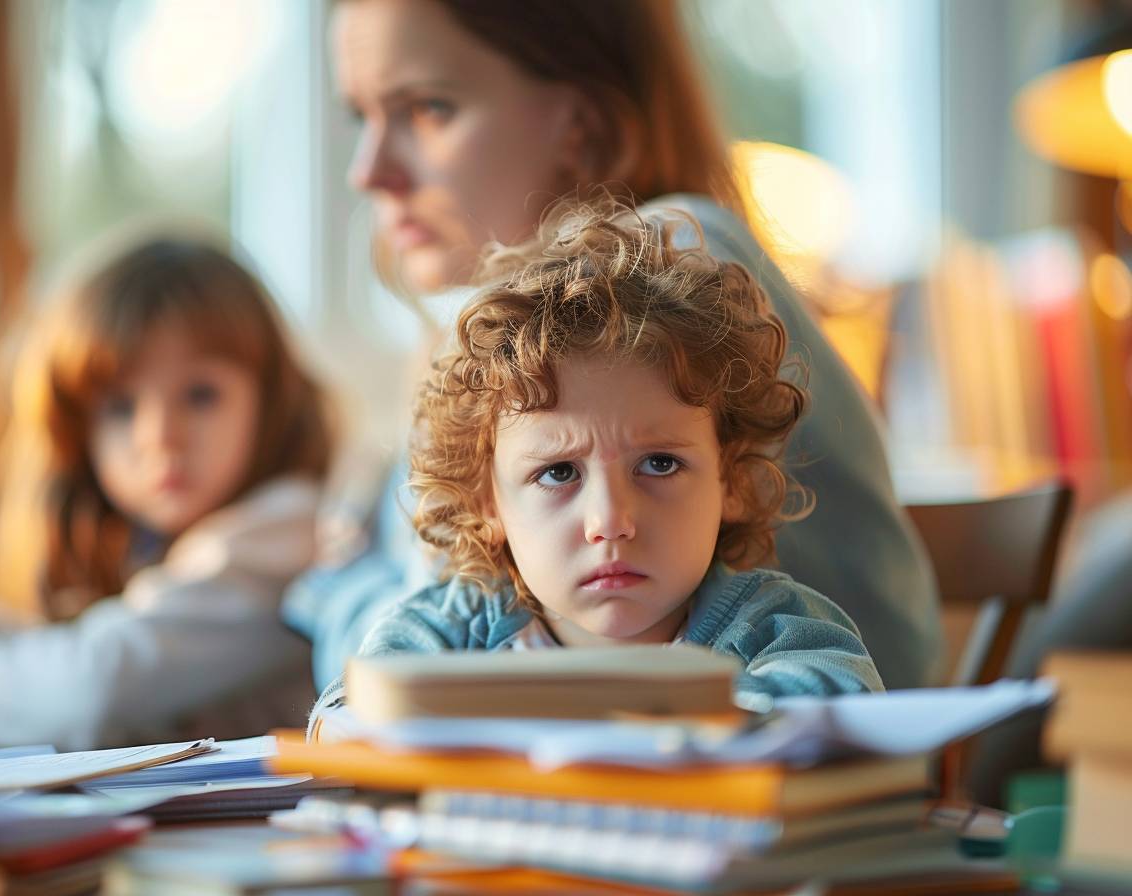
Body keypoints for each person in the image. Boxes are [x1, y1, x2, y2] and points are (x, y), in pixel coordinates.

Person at [284, 0, 940, 692]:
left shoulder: (672, 276)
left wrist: (327, 585)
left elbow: (414, 671)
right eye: (363, 117)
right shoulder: (519, 353)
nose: (367, 170)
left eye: (428, 109)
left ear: (581, 121)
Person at [310, 204, 883, 730]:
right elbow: (343, 719)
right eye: (559, 473)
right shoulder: (453, 626)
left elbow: (843, 709)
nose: (611, 521)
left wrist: (675, 715)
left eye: (659, 463)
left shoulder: (772, 625)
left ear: (729, 479)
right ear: (489, 503)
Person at [0, 232, 332, 750]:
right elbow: (120, 654)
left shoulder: (287, 529)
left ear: (271, 401)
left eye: (200, 395)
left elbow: (98, 686)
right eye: (121, 407)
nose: (159, 436)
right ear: (81, 431)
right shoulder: (163, 545)